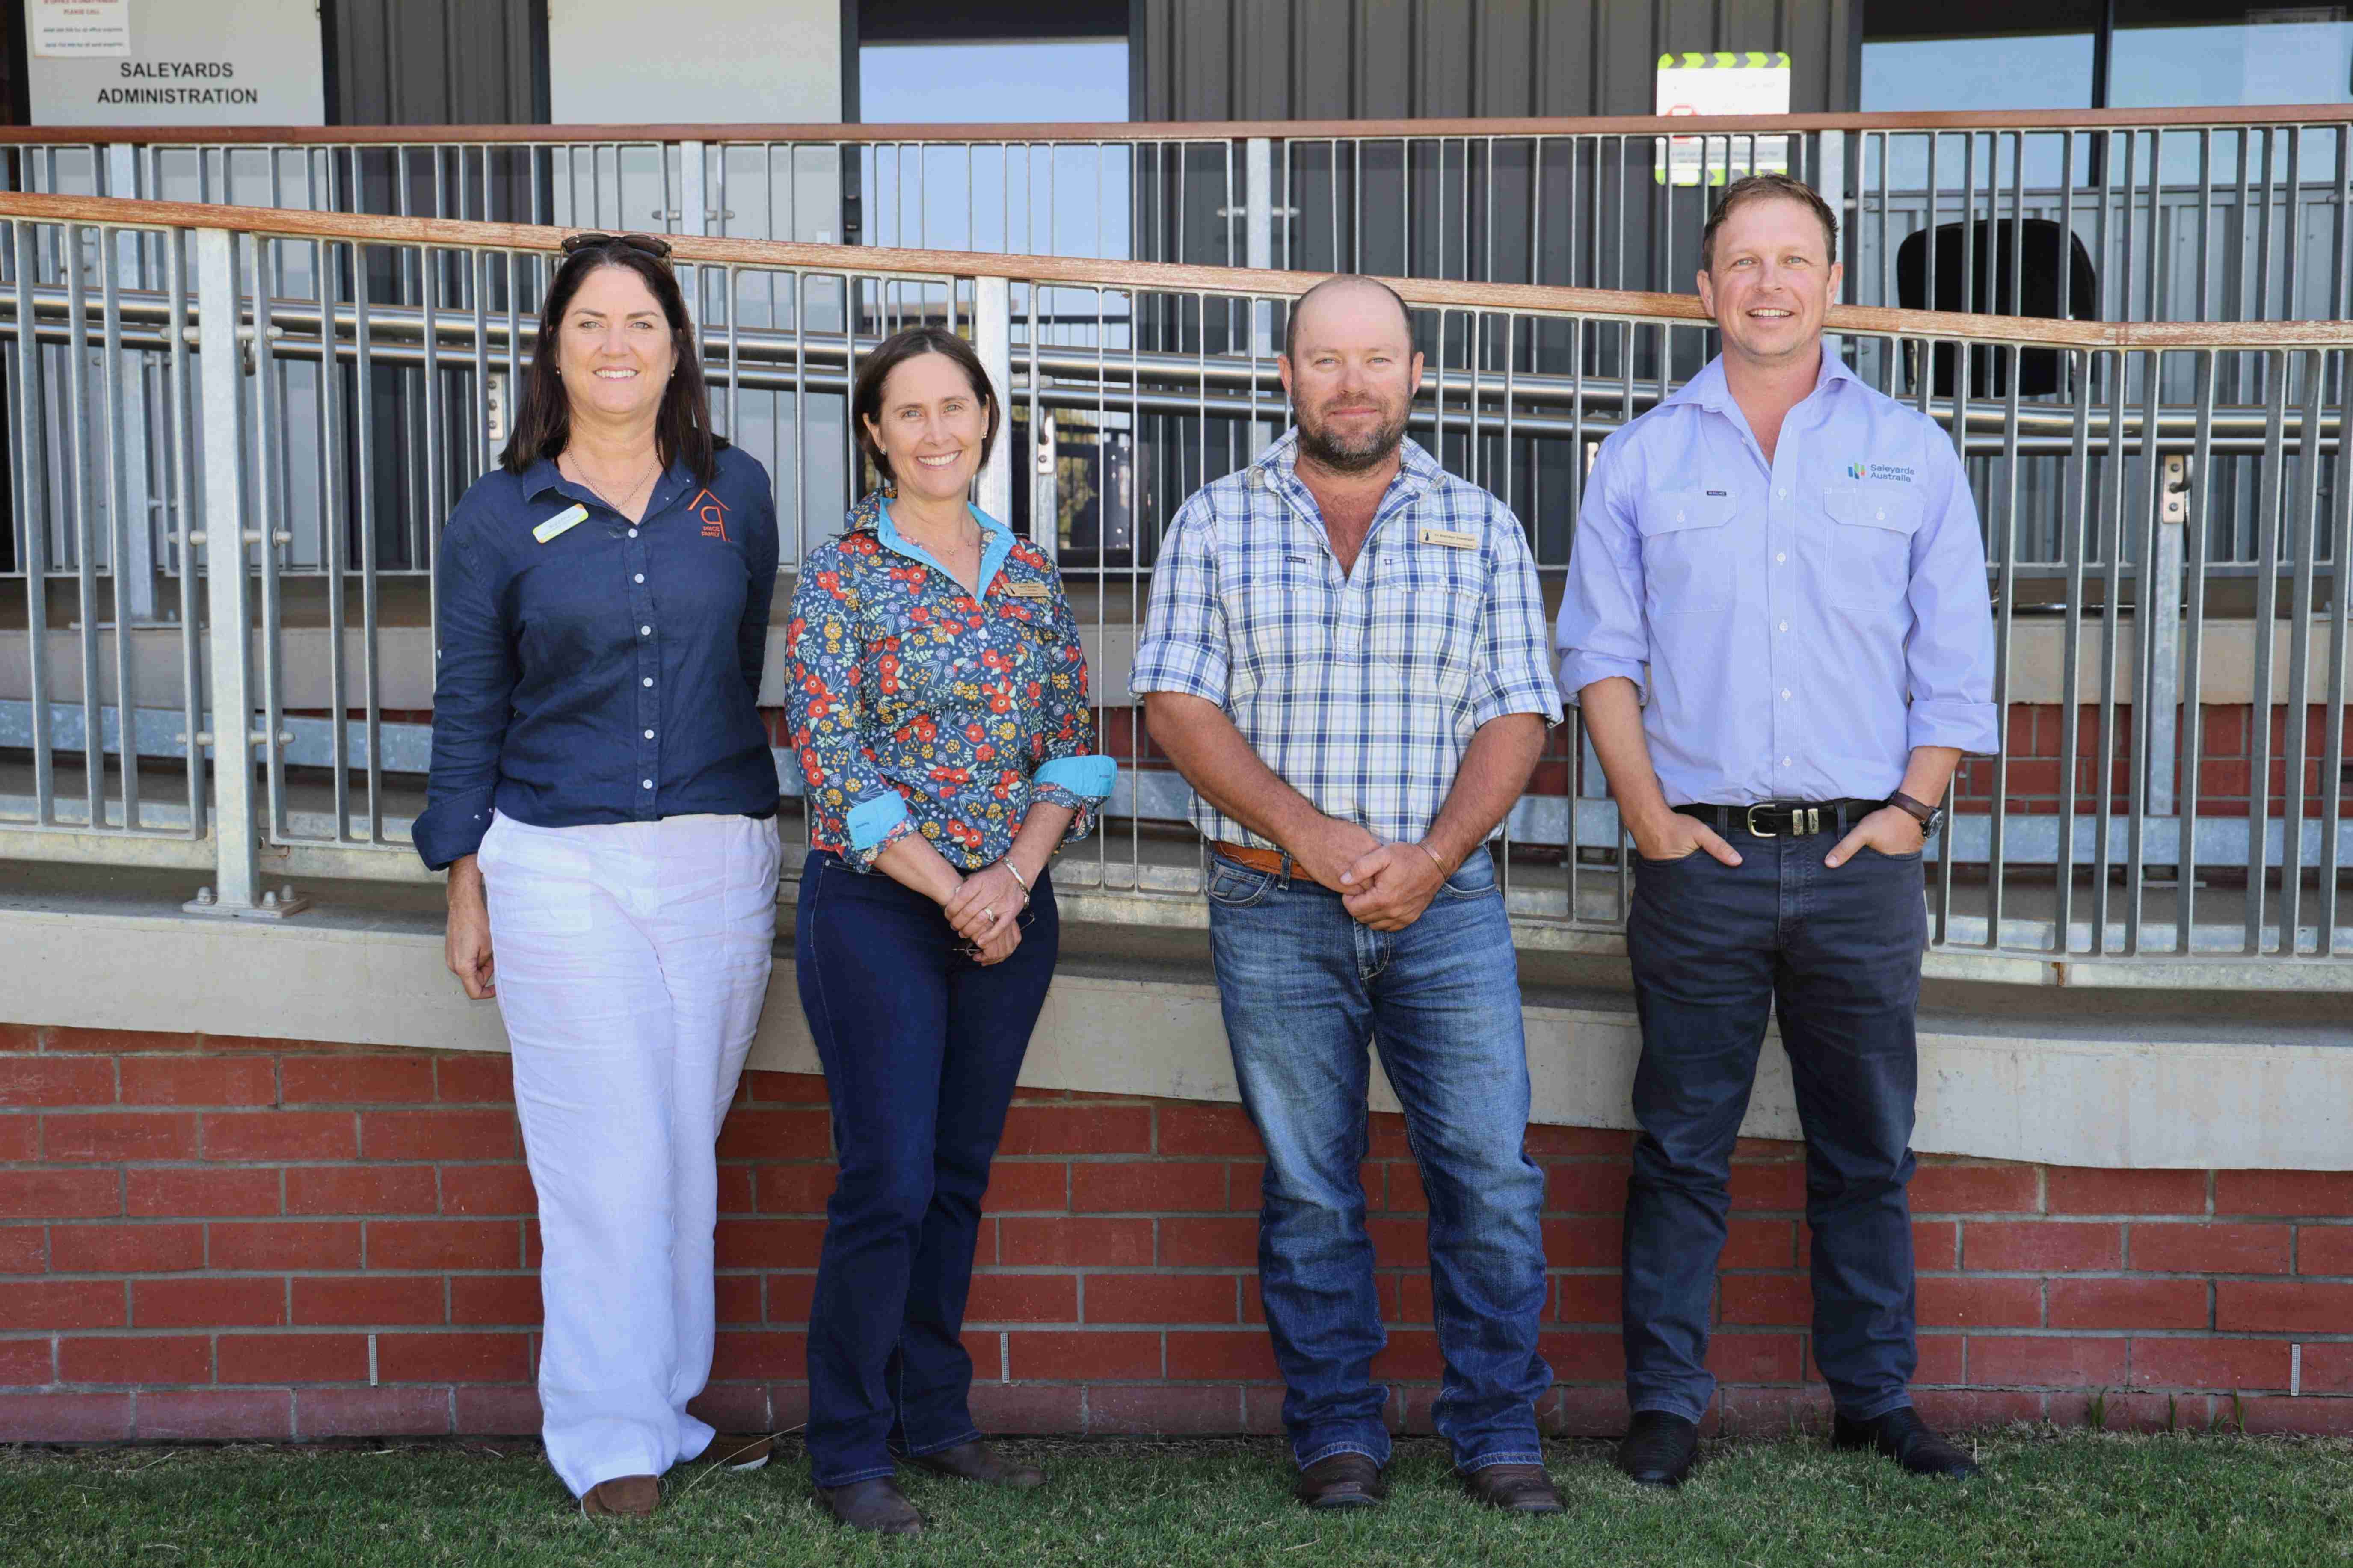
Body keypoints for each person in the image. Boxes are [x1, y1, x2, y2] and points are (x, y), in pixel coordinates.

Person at [1555, 172, 1999, 1488]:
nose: (1767, 283)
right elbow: (1599, 653)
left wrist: (1911, 809)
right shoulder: (1640, 456)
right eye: (1741, 261)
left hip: (1863, 858)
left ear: (1831, 284)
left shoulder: (1911, 449)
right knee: (1681, 1141)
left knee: (1865, 1146)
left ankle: (1873, 1396)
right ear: (1704, 290)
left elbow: (1955, 663)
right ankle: (1666, 1405)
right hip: (1701, 860)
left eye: (1792, 259)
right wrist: (1646, 817)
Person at [1131, 276, 1565, 1514]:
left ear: (1415, 373)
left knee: (1487, 1173)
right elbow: (1174, 705)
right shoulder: (1216, 520)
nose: (1353, 382)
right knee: (1310, 1183)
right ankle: (1337, 1431)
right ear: (1287, 375)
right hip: (1271, 901)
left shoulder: (1478, 523)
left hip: (1450, 906)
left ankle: (1496, 1428)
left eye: (1376, 358)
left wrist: (1426, 857)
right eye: (1326, 359)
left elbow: (1517, 712)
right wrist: (1313, 835)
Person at [417, 231, 785, 1519]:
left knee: (683, 1145)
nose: (617, 344)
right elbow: (469, 704)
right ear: (554, 348)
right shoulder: (496, 511)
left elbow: (737, 663)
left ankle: (670, 1409)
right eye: (590, 324)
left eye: (640, 321)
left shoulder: (732, 490)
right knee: (599, 1156)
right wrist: (463, 880)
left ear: (675, 344)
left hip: (716, 852)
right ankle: (604, 1436)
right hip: (554, 859)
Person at [787, 325, 1116, 1536]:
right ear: (873, 433)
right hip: (880, 903)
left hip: (1008, 902)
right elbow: (835, 760)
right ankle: (849, 1446)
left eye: (954, 407)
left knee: (958, 1177)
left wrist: (1013, 879)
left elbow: (1069, 747)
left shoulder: (1028, 575)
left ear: (986, 418)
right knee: (888, 1173)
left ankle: (934, 1416)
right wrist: (956, 888)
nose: (935, 431)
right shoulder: (838, 575)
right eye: (906, 412)